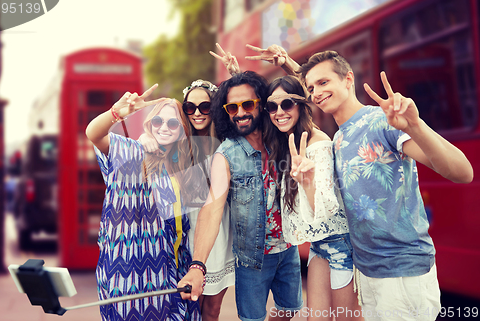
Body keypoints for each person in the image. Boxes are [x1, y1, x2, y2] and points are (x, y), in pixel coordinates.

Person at [262, 48, 473, 320]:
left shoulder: (381, 122)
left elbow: (463, 172)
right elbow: (298, 96)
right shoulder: (338, 138)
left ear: (348, 79)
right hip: (366, 272)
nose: (316, 92)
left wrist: (415, 126)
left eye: (324, 83)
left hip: (403, 270)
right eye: (311, 87)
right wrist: (286, 64)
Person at [178, 71, 303, 321]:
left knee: (289, 311)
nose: (240, 112)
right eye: (232, 107)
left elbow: (304, 106)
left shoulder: (282, 136)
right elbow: (212, 207)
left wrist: (287, 65)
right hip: (252, 259)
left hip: (290, 249)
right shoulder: (226, 154)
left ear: (261, 104)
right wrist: (197, 265)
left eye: (247, 104)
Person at [85, 86, 201, 321]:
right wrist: (116, 114)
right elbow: (94, 134)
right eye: (158, 121)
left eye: (173, 123)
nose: (164, 127)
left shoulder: (182, 169)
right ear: (149, 124)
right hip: (127, 279)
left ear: (181, 131)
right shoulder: (130, 153)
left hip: (171, 275)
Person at [263, 75, 362, 321]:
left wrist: (307, 182)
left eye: (286, 104)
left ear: (300, 105)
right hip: (320, 245)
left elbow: (326, 207)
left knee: (346, 319)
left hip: (341, 245)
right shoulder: (287, 142)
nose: (279, 112)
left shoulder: (317, 144)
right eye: (272, 106)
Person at [141, 78, 235, 321]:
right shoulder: (177, 139)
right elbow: (151, 148)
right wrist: (144, 140)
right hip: (185, 231)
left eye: (205, 107)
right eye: (189, 107)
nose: (197, 113)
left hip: (218, 227)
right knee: (190, 307)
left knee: (212, 310)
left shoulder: (227, 143)